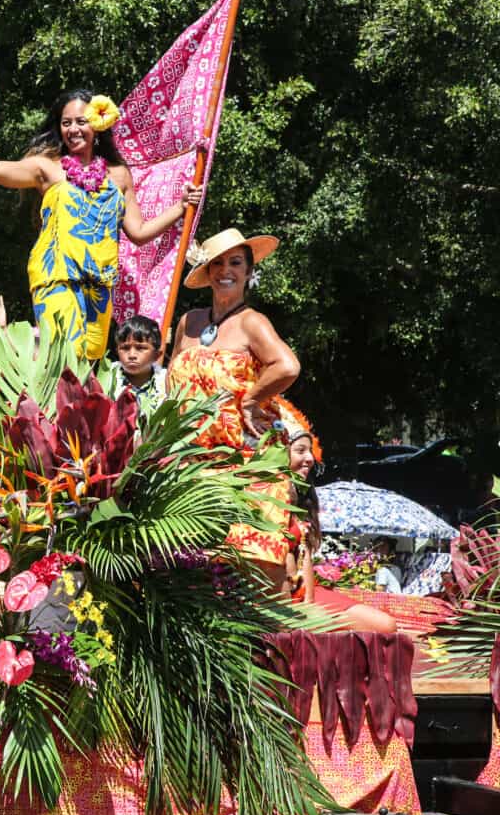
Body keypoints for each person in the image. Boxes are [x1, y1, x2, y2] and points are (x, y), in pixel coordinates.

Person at [0, 80, 202, 359]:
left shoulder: (118, 175)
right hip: (56, 277)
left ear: (97, 124)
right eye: (66, 123)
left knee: (89, 359)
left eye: (81, 121)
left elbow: (138, 232)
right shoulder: (47, 168)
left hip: (99, 283)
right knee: (63, 357)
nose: (73, 129)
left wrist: (181, 206)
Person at [167, 229, 301, 593]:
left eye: (236, 263)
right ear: (208, 271)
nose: (226, 270)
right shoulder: (188, 322)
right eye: (218, 263)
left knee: (256, 573)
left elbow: (287, 366)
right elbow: (172, 384)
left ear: (248, 271)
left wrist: (251, 400)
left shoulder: (251, 322)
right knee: (196, 573)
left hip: (245, 463)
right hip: (193, 465)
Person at [280, 406, 398, 633]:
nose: (309, 459)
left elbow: (303, 553)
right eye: (300, 451)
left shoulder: (301, 498)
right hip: (281, 595)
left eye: (310, 451)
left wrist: (309, 603)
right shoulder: (267, 494)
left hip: (304, 591)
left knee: (387, 626)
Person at [106, 314, 167, 421]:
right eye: (125, 348)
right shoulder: (107, 378)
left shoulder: (166, 384)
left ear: (157, 355)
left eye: (140, 348)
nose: (132, 355)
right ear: (117, 351)